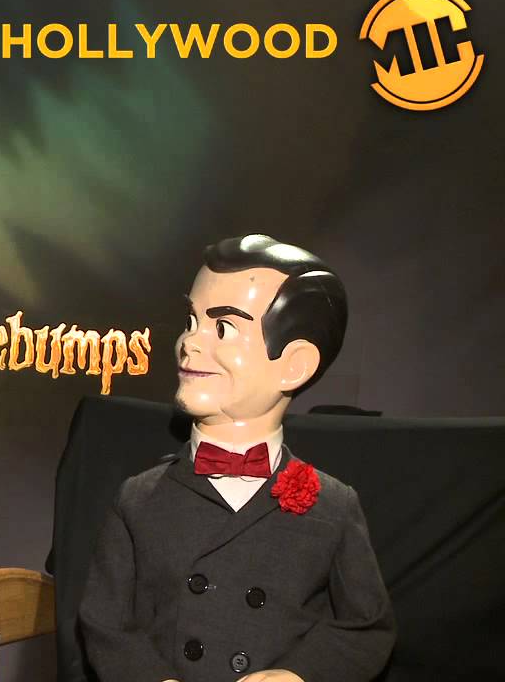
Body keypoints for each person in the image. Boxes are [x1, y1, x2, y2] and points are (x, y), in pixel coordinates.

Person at [78, 235, 395, 682]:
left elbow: (366, 626)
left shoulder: (333, 505)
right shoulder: (138, 498)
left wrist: (298, 675)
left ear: (295, 364)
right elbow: (105, 621)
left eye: (223, 328)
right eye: (191, 321)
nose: (189, 343)